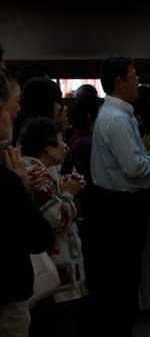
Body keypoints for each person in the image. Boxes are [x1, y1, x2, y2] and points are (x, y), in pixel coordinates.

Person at [87, 57, 150, 337]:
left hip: (116, 206)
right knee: (122, 278)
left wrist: (147, 156)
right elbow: (135, 167)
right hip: (120, 209)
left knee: (121, 276)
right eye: (133, 76)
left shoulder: (117, 115)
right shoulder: (116, 119)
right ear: (119, 82)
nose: (137, 81)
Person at [20, 118, 87, 337]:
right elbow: (54, 218)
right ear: (47, 146)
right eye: (60, 139)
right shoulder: (35, 173)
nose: (66, 145)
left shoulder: (40, 170)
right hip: (55, 280)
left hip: (58, 276)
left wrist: (65, 189)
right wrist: (69, 193)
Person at [0, 70, 54, 337]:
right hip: (7, 293)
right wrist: (20, 187)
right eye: (15, 101)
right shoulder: (9, 174)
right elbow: (38, 236)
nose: (17, 110)